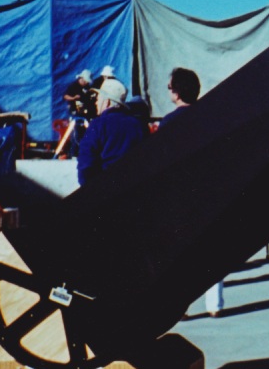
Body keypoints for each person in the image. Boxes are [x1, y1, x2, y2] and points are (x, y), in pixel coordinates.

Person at [158, 66, 224, 316]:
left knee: (178, 254)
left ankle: (179, 307)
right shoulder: (210, 118)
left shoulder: (169, 123)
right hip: (208, 191)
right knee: (211, 250)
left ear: (176, 92)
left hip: (179, 193)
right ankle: (215, 305)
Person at [76, 78, 147, 186]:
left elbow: (86, 162)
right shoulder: (138, 125)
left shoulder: (97, 125)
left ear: (107, 101)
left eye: (98, 98)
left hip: (105, 189)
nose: (96, 102)